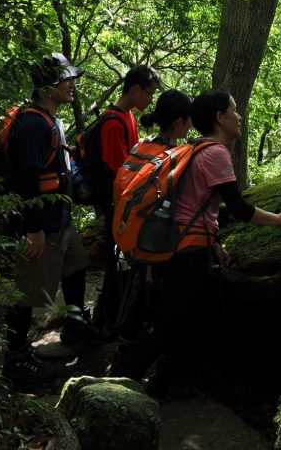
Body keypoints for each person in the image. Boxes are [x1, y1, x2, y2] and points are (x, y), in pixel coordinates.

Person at [109, 88, 281, 397]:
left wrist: (213, 236)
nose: (239, 116)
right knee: (167, 322)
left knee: (184, 317)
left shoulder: (196, 147)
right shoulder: (215, 152)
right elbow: (240, 209)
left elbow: (201, 204)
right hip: (186, 253)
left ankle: (165, 381)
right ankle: (115, 385)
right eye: (234, 110)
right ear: (219, 117)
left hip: (179, 246)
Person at [1, 53, 105, 388]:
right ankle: (15, 360)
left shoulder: (49, 120)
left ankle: (74, 324)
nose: (73, 85)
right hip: (39, 224)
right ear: (49, 86)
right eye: (67, 80)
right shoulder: (32, 125)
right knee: (26, 293)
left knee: (76, 265)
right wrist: (33, 230)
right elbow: (27, 181)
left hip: (59, 220)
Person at [108, 88, 194, 360]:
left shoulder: (141, 146)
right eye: (188, 119)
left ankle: (124, 339)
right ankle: (134, 345)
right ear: (179, 122)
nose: (191, 124)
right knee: (151, 289)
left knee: (139, 285)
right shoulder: (174, 156)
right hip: (153, 234)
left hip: (128, 227)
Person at [91, 65, 162, 333]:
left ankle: (112, 314)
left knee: (121, 258)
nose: (150, 99)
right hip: (117, 203)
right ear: (135, 90)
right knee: (115, 258)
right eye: (149, 93)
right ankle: (104, 317)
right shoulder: (112, 121)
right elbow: (118, 169)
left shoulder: (128, 116)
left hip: (126, 202)